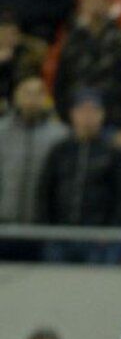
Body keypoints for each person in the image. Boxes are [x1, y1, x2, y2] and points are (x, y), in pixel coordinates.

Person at [36, 89, 121, 265]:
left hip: (97, 240)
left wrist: (110, 231)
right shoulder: (59, 151)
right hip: (60, 236)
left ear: (102, 115)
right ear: (73, 114)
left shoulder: (113, 153)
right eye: (82, 110)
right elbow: (45, 191)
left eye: (93, 111)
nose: (87, 116)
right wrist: (47, 228)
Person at [52, 0, 121, 146]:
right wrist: (64, 117)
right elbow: (60, 83)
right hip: (74, 122)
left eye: (99, 1)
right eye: (90, 1)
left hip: (111, 123)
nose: (95, 6)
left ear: (108, 5)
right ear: (81, 6)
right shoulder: (71, 40)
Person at [0, 77, 68, 231]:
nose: (32, 99)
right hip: (5, 221)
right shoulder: (2, 132)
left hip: (43, 223)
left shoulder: (59, 135)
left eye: (38, 94)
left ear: (45, 98)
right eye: (27, 93)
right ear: (16, 96)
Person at [0, 11, 47, 117]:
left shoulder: (27, 55)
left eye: (12, 34)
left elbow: (26, 82)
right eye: (3, 34)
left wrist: (11, 62)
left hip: (20, 103)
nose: (7, 38)